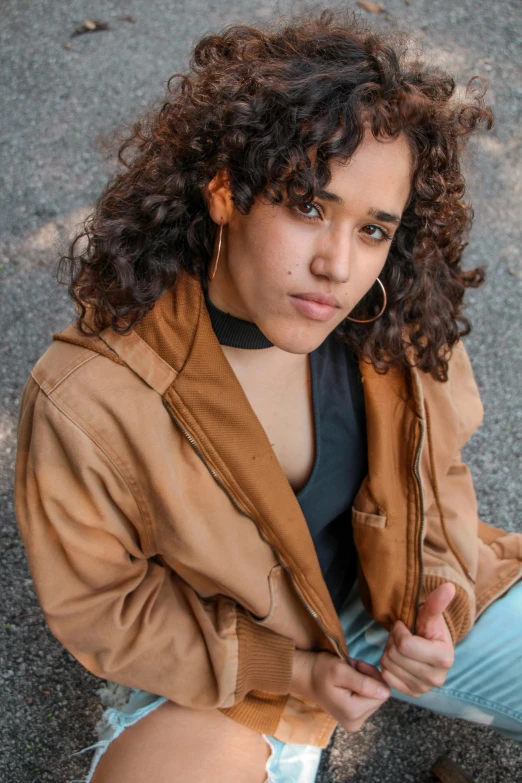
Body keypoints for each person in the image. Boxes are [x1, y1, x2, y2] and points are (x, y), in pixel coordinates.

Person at [14, 9, 522, 783]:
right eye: (308, 205)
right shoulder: (90, 398)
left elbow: (440, 481)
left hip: (383, 608)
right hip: (238, 655)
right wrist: (293, 672)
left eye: (374, 229)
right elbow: (105, 604)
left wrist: (436, 614)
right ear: (225, 188)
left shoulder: (399, 318)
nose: (338, 265)